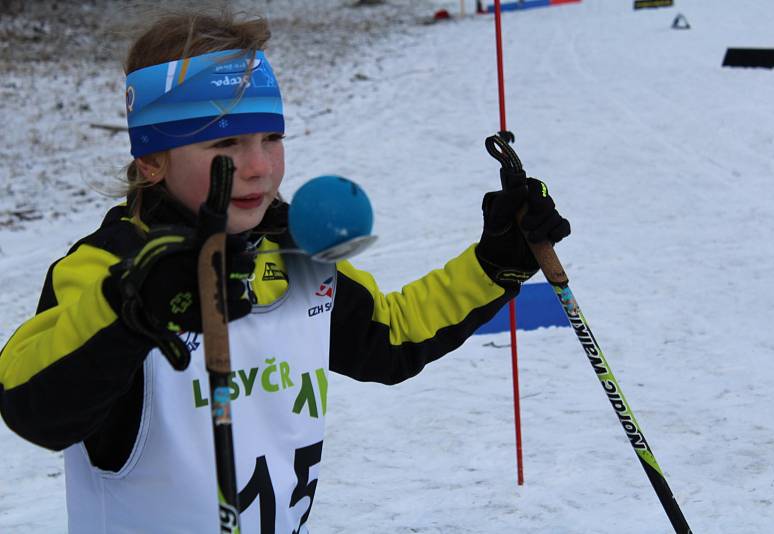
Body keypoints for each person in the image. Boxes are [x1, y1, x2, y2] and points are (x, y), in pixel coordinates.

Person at [0, 8, 570, 534]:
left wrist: (495, 262)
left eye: (272, 138)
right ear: (152, 159)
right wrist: (131, 311)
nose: (258, 167)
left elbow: (390, 337)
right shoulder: (107, 267)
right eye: (226, 142)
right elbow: (32, 404)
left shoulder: (291, 251)